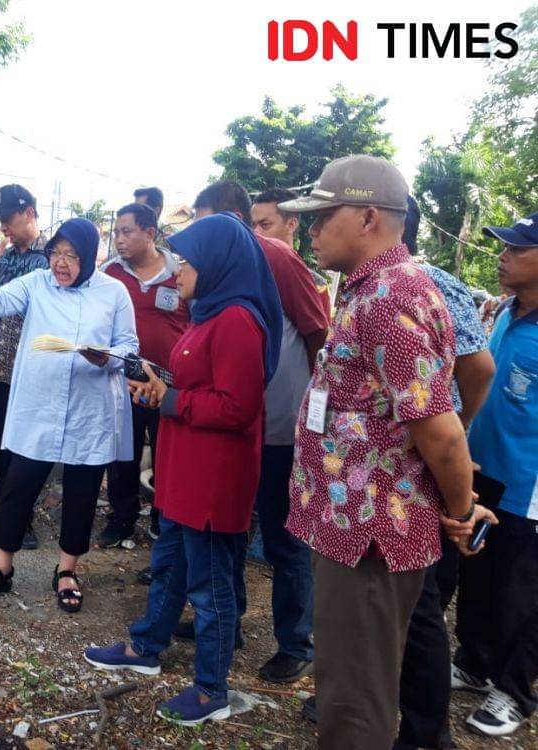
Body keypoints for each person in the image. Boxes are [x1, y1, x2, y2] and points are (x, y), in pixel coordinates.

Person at [280, 155, 496, 750]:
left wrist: (460, 511)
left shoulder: (393, 297)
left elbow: (441, 429)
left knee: (356, 703)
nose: (311, 229)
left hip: (370, 537)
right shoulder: (366, 289)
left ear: (369, 217)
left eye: (323, 216)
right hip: (351, 527)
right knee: (349, 684)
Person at [83, 213, 282, 725]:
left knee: (211, 586)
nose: (178, 273)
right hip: (183, 470)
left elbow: (238, 407)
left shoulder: (237, 320)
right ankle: (146, 646)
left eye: (188, 263)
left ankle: (211, 688)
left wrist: (171, 400)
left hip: (213, 480)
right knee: (169, 563)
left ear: (216, 264)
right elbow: (199, 386)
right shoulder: (209, 313)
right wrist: (161, 385)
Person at [0, 218, 139, 612]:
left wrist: (105, 357)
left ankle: (66, 570)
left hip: (87, 412)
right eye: (56, 253)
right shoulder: (36, 284)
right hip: (38, 406)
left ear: (89, 257)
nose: (61, 263)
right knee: (18, 484)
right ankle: (1, 567)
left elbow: (128, 346)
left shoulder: (114, 293)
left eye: (72, 255)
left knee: (82, 490)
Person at [193, 181, 331, 683]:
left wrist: (313, 414)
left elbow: (317, 333)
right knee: (228, 526)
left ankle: (296, 643)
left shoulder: (274, 257)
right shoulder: (215, 266)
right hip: (235, 424)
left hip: (280, 428)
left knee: (284, 537)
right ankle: (228, 625)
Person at [452, 211, 538, 737]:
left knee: (521, 591)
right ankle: (476, 661)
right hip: (484, 469)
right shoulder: (505, 310)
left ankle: (514, 689)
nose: (503, 256)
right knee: (478, 572)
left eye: (516, 249)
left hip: (530, 484)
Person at [99, 203, 189, 548]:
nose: (119, 240)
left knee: (168, 453)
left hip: (168, 383)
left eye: (126, 232)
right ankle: (121, 517)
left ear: (149, 233)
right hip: (123, 378)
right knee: (123, 451)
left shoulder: (178, 273)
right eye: (117, 233)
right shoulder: (110, 273)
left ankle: (161, 518)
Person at [0, 185, 49, 551]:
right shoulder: (4, 258)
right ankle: (5, 508)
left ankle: (24, 520)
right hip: (2, 363)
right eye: (0, 219)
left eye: (9, 218)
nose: (3, 225)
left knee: (25, 447)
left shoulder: (51, 258)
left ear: (30, 213)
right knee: (0, 441)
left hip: (31, 369)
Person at [253, 187, 333, 310]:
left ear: (291, 224)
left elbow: (320, 329)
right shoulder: (243, 274)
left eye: (265, 225)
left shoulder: (315, 286)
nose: (255, 232)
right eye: (253, 225)